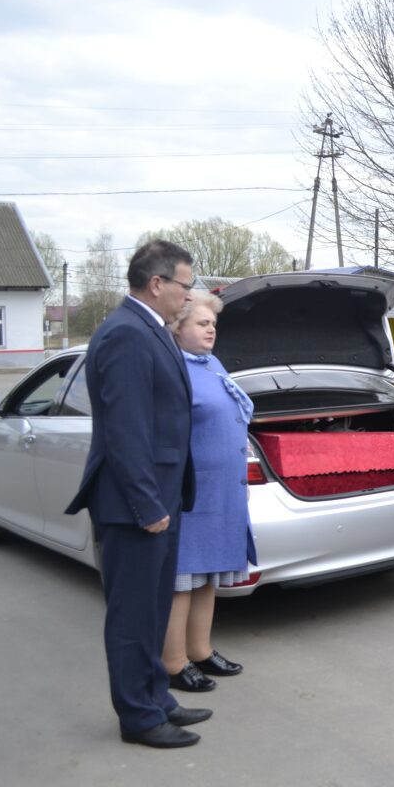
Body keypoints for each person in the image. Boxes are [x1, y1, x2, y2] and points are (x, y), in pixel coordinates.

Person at [64, 240, 211, 749]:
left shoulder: (150, 329)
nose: (188, 295)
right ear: (156, 284)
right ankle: (139, 718)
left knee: (152, 609)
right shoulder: (126, 333)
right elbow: (126, 431)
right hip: (134, 505)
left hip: (158, 497)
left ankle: (156, 698)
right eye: (185, 285)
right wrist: (147, 504)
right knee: (132, 616)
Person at [163, 291, 257, 694]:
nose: (211, 330)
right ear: (177, 327)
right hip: (190, 493)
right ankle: (173, 662)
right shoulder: (171, 369)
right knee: (182, 580)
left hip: (222, 491)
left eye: (213, 324)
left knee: (207, 576)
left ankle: (200, 651)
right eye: (202, 323)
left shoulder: (212, 364)